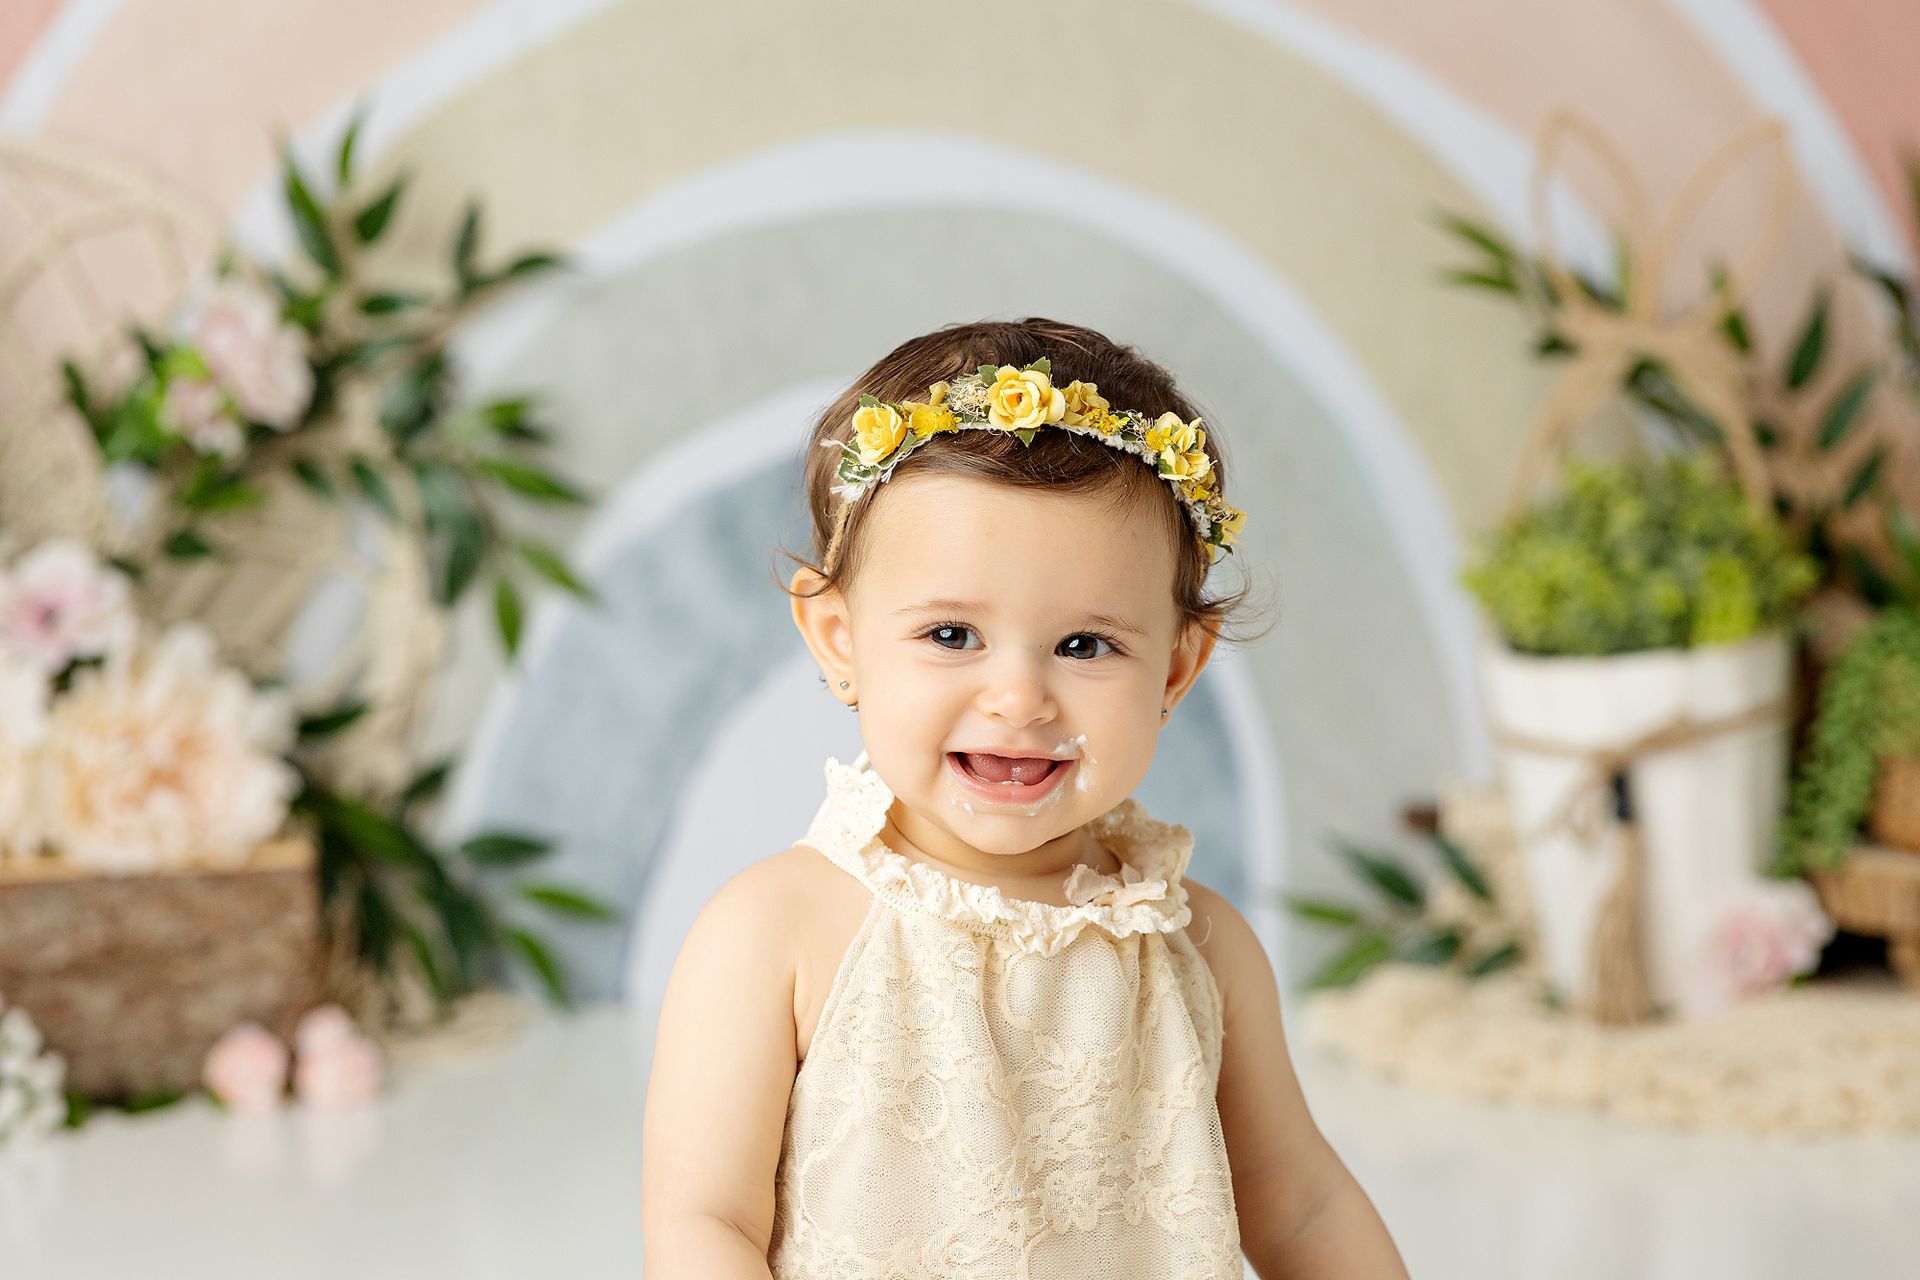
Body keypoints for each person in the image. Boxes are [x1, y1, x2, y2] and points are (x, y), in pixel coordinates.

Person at [641, 318, 1409, 1278]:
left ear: (1176, 666)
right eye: (952, 635)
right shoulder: (776, 931)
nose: (1017, 699)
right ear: (839, 637)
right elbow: (703, 1223)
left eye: (1085, 646)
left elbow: (1300, 1210)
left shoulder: (1198, 948)